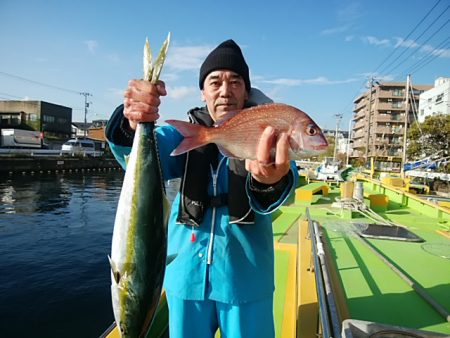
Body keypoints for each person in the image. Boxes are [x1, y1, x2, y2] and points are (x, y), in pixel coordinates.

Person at [106, 39, 298, 338]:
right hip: (184, 280)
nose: (225, 90)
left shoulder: (269, 133)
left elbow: (287, 183)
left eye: (235, 81)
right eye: (215, 81)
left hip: (246, 281)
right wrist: (131, 120)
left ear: (246, 91)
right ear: (203, 91)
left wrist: (270, 182)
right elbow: (135, 155)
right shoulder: (178, 135)